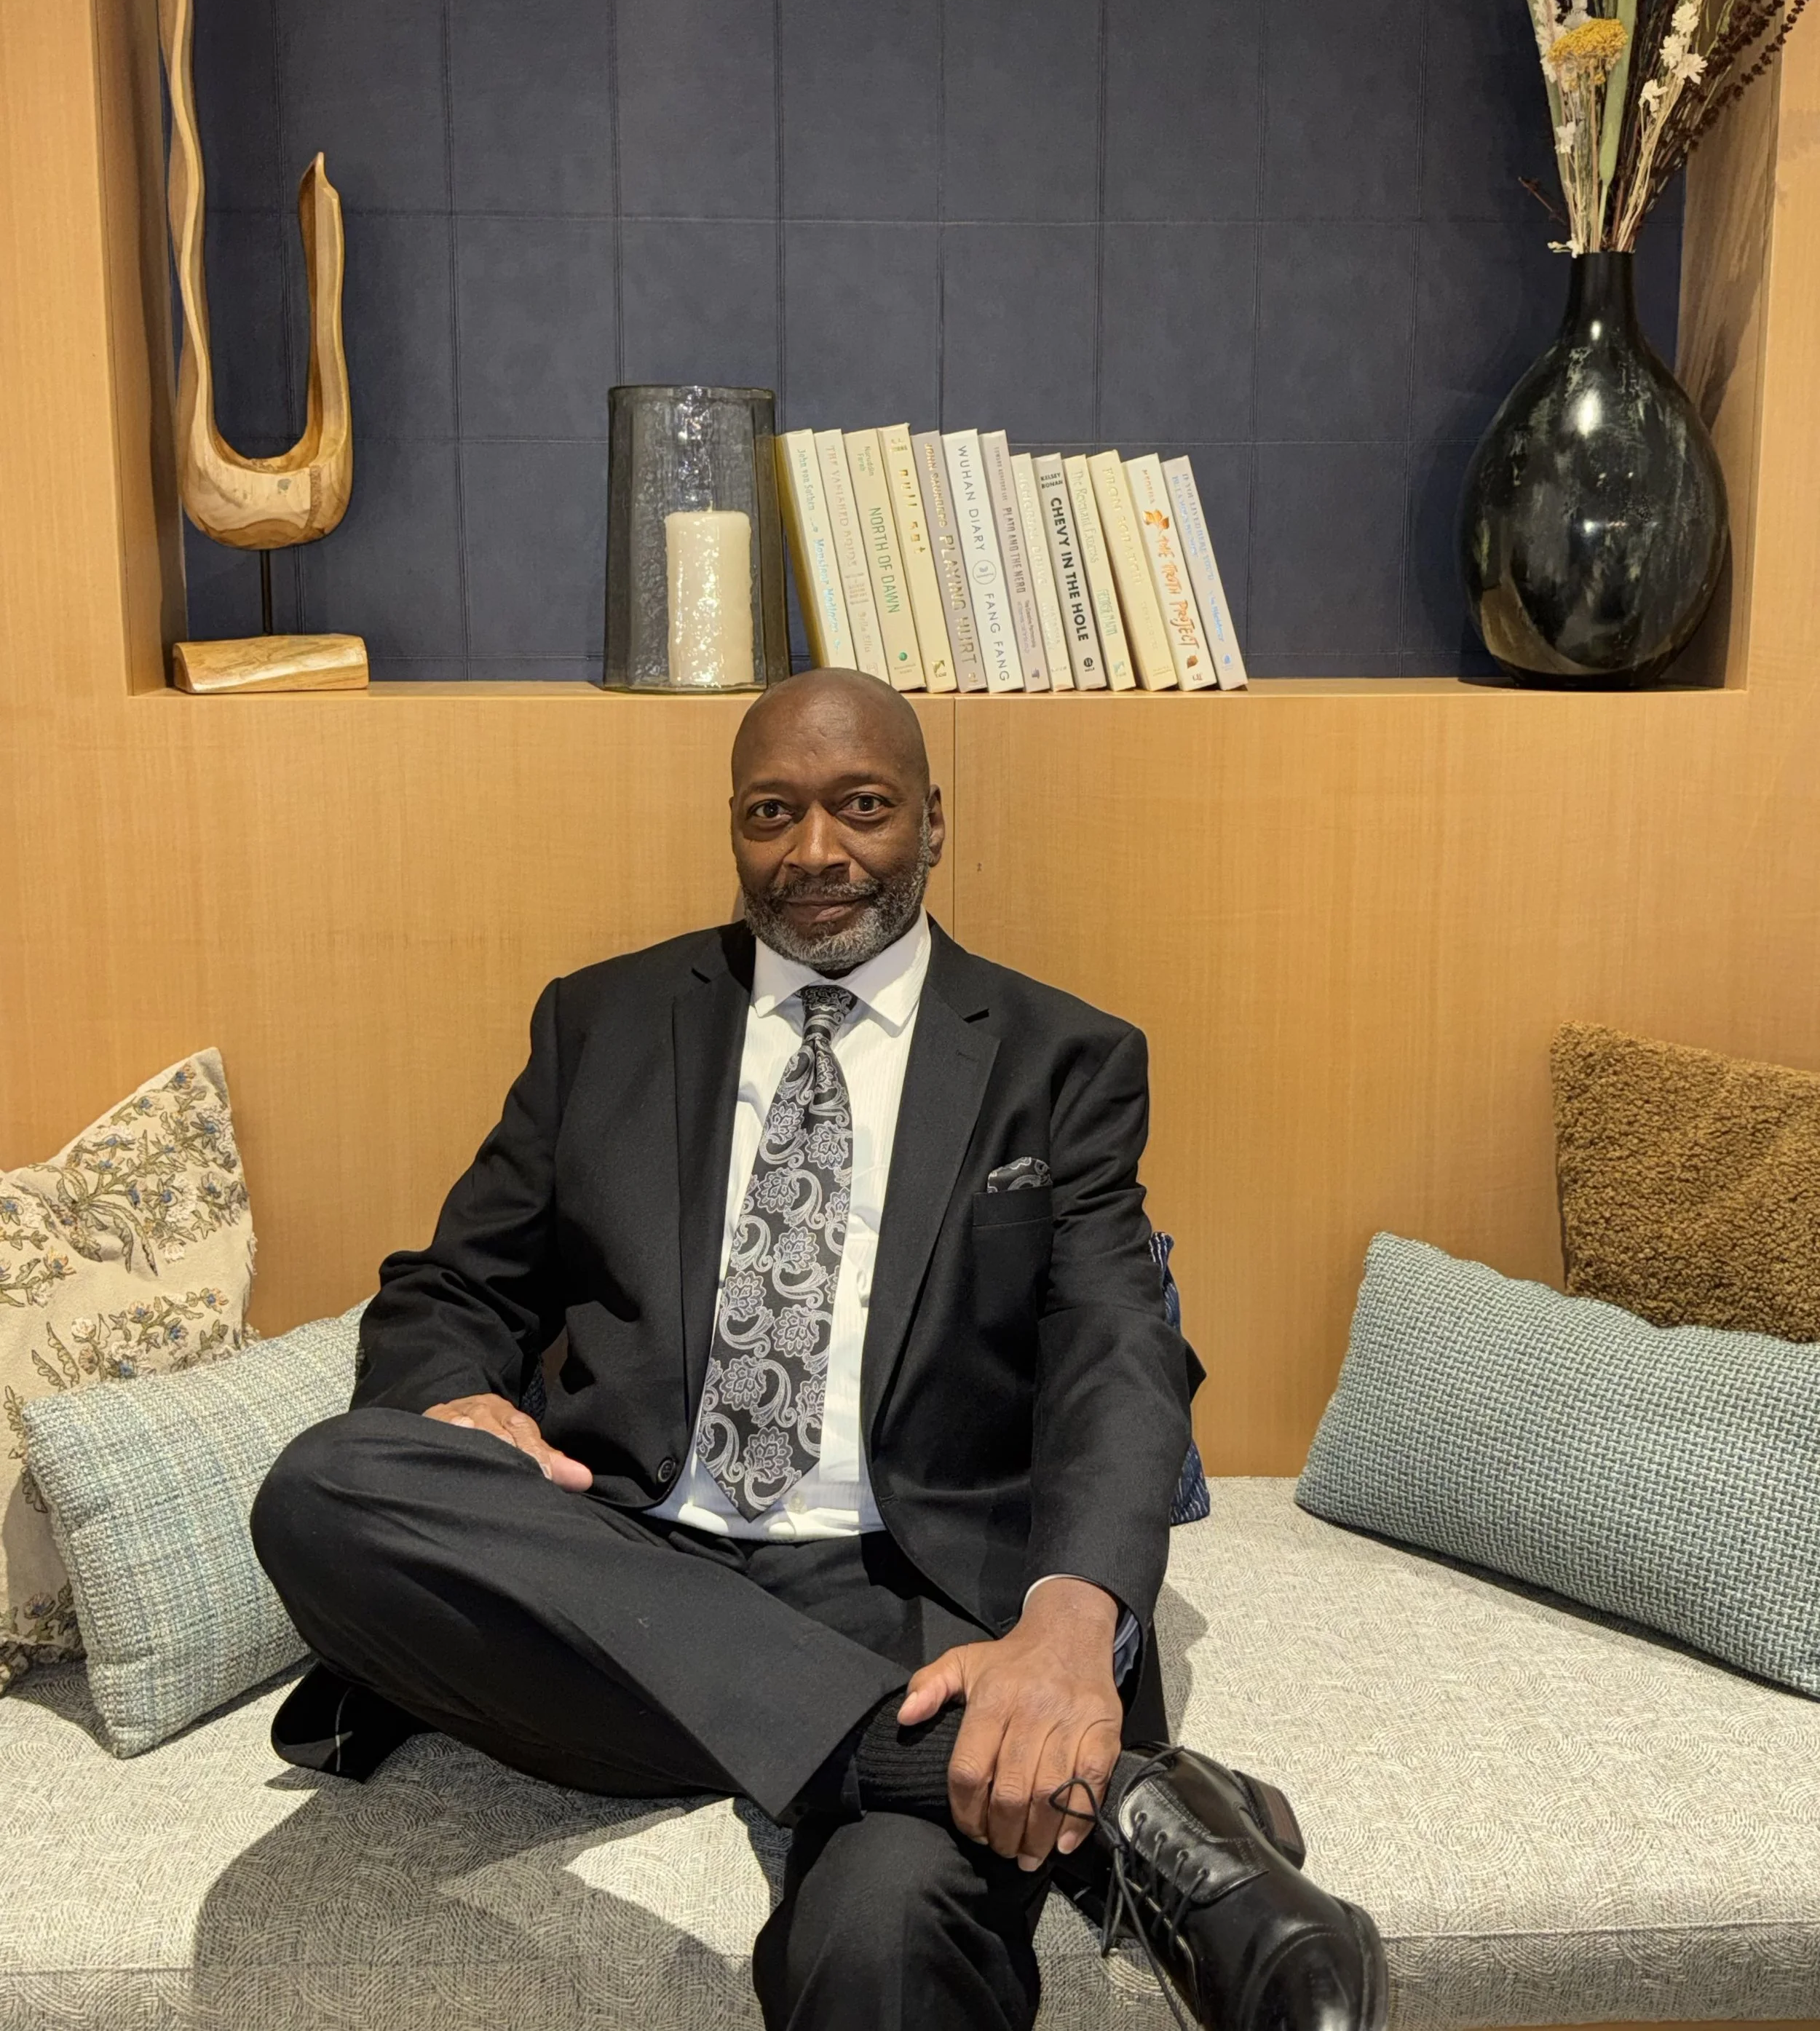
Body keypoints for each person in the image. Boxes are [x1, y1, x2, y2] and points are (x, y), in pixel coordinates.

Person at [253, 668, 1383, 2031]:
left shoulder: (1060, 1058)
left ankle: (937, 1759)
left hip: (915, 1597)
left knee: (884, 1944)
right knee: (322, 1487)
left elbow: (1115, 1351)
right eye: (770, 814)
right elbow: (451, 1287)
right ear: (733, 828)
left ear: (932, 821)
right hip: (626, 1576)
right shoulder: (602, 1022)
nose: (815, 855)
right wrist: (456, 1399)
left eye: (862, 808)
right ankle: (1118, 1808)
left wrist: (1073, 1625)